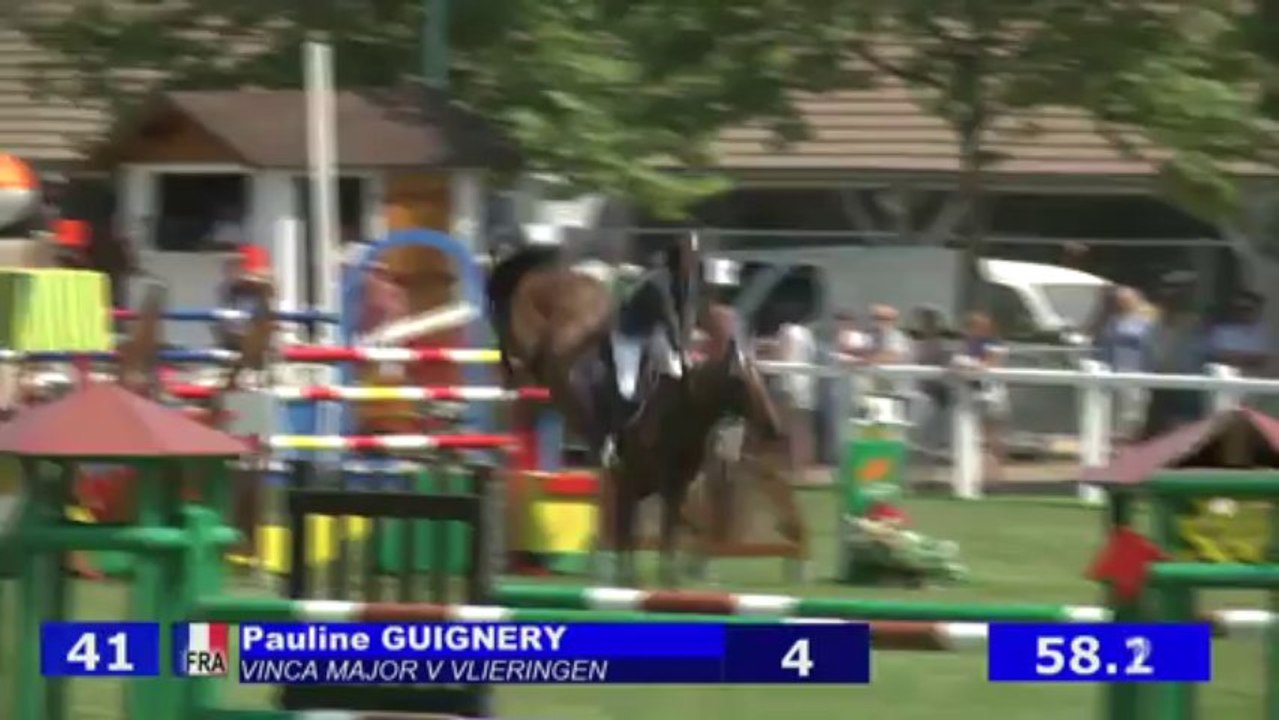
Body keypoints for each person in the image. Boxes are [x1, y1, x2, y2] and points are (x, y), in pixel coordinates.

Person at [1141, 270, 1207, 439]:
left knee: (1188, 428)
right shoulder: (1155, 319)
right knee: (1156, 430)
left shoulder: (1196, 320)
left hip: (1188, 381)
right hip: (1161, 380)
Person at [1094, 286, 1154, 441]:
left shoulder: (1146, 322)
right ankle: (1117, 436)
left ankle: (1133, 436)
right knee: (1114, 405)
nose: (1122, 303)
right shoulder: (1113, 321)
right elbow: (1105, 344)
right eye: (1120, 301)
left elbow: (1151, 346)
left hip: (1138, 368)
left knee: (1135, 404)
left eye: (1126, 300)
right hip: (1114, 368)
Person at [958, 311, 1008, 483]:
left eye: (979, 326)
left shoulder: (996, 343)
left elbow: (992, 363)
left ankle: (997, 473)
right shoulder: (967, 344)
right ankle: (978, 474)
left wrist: (970, 365)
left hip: (992, 394)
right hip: (972, 395)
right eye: (972, 326)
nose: (974, 329)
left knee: (993, 435)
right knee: (975, 435)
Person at [777, 313, 817, 470]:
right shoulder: (807, 333)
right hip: (806, 383)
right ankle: (803, 463)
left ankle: (796, 464)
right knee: (803, 426)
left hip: (792, 383)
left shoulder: (787, 331)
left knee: (794, 426)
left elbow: (784, 356)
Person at [1208, 290, 1270, 376]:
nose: (1242, 312)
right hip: (1225, 375)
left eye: (1247, 309)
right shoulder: (1221, 330)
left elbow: (1266, 358)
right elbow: (1223, 356)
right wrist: (1250, 358)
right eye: (1238, 308)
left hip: (1256, 376)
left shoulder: (1263, 330)